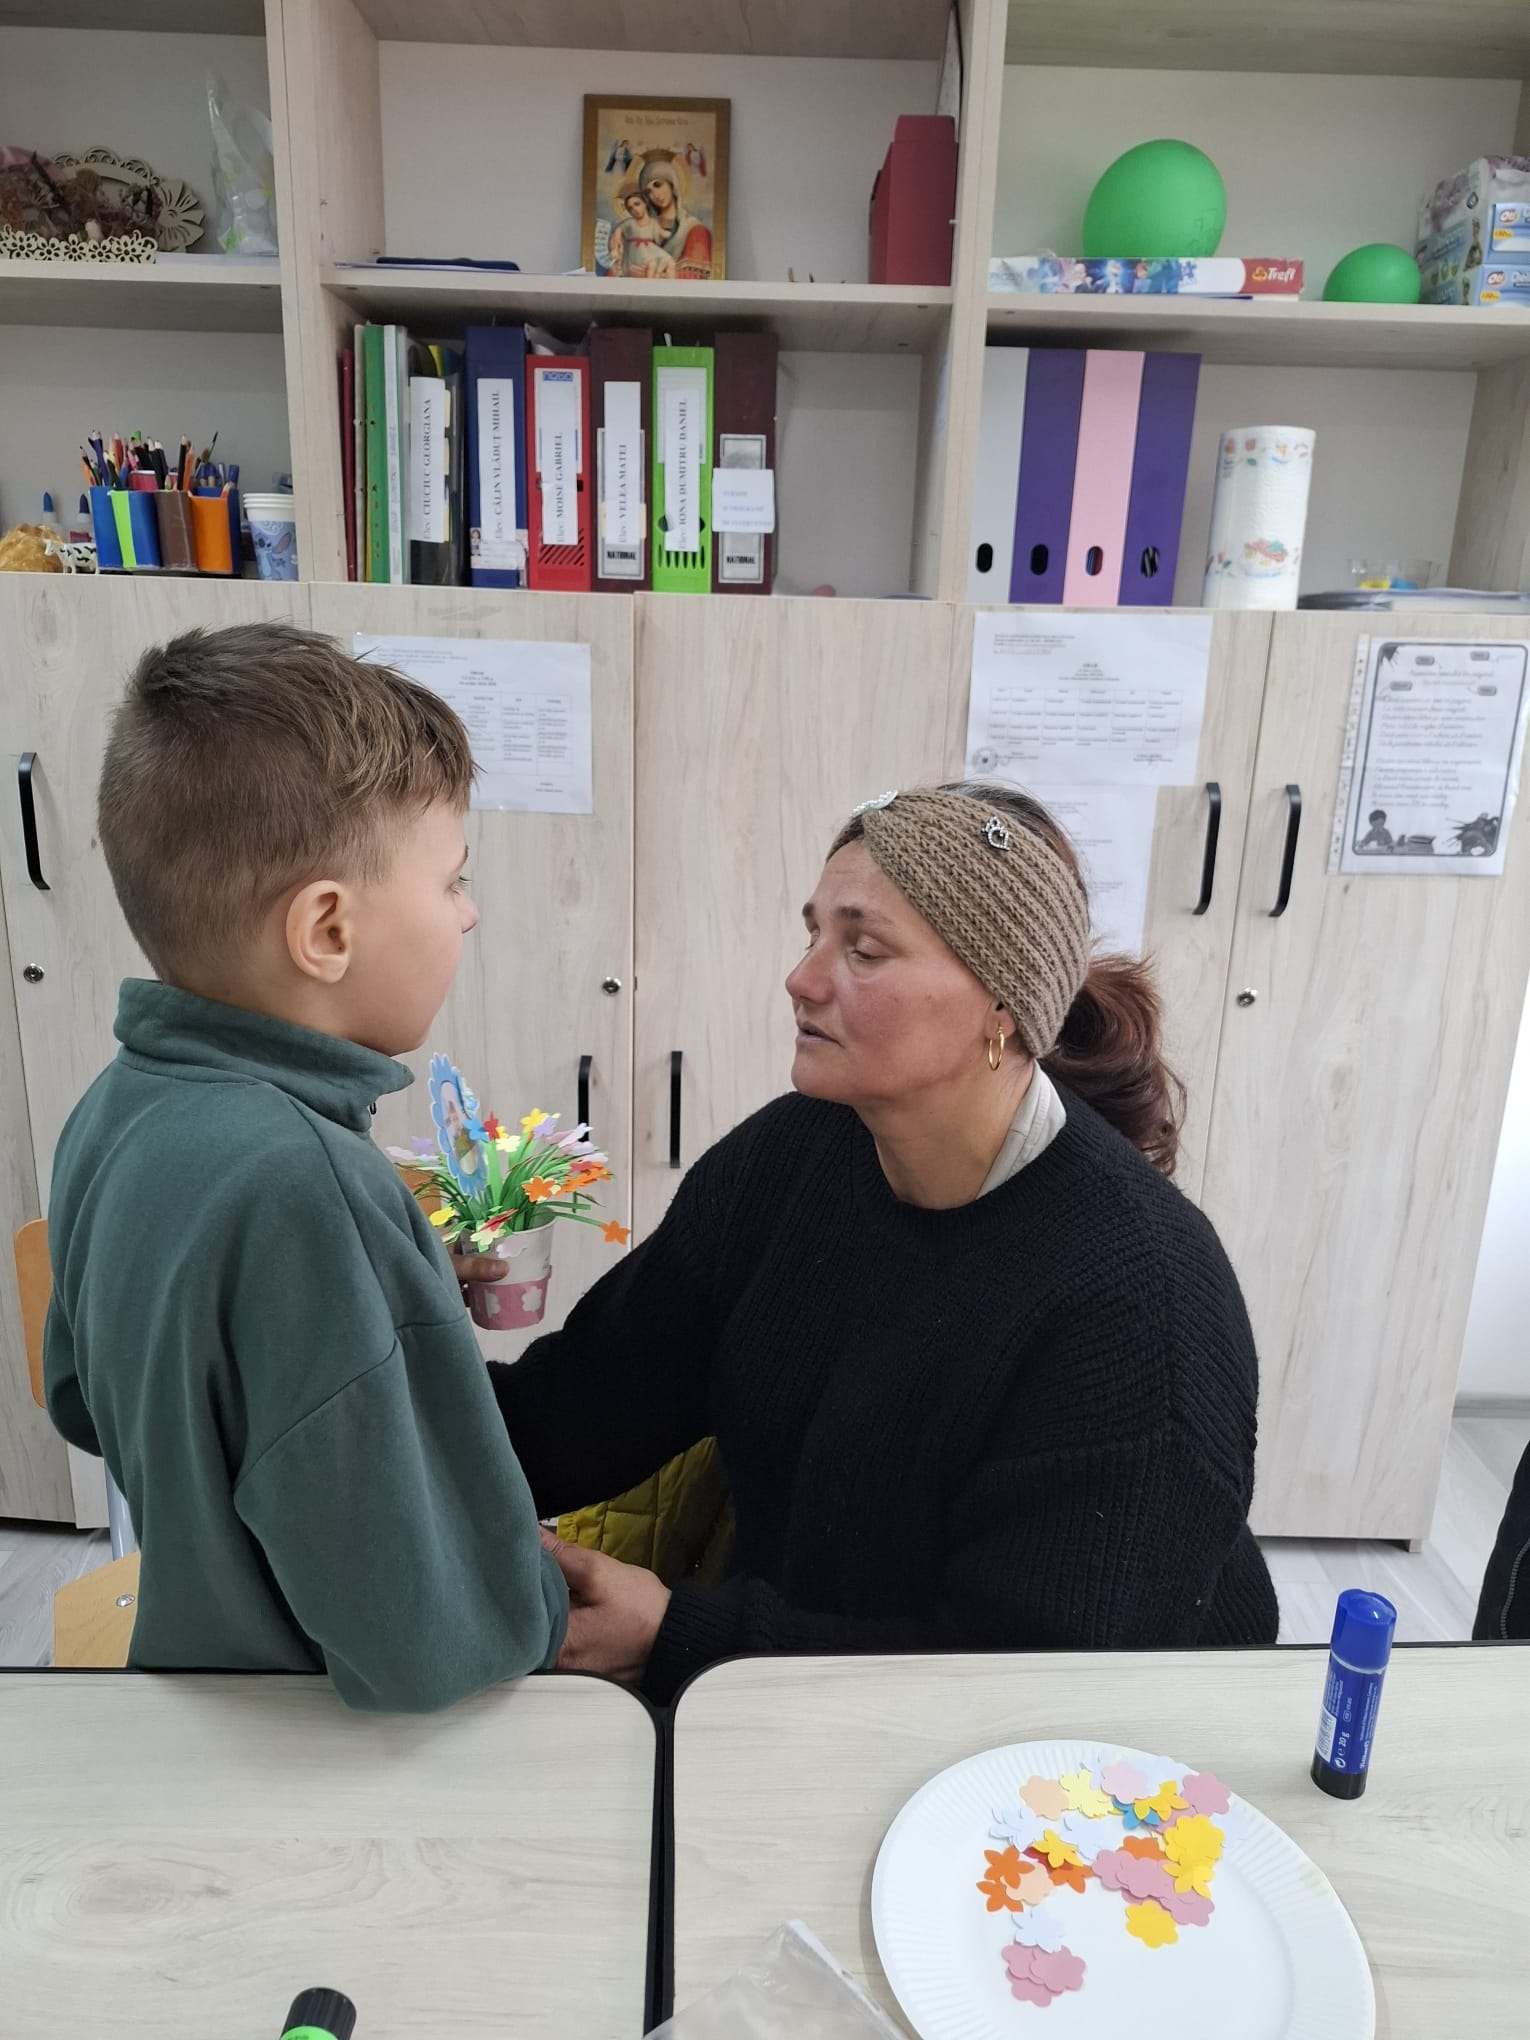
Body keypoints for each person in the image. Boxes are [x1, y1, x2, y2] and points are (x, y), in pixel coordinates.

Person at [491, 783, 1279, 1700]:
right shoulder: (792, 1157)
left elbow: (1033, 1680)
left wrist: (682, 1638)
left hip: (1081, 1741)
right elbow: (589, 1401)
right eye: (813, 935)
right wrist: (385, 1397)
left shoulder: (1140, 1306)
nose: (803, 978)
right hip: (807, 1674)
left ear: (1002, 1007)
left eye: (862, 950)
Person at [44, 624, 566, 1709]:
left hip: (185, 1672)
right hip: (304, 1736)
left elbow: (81, 1400)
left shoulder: (115, 1106)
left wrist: (376, 1297)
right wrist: (544, 1601)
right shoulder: (307, 1182)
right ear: (326, 929)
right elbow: (432, 1643)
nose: (468, 912)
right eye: (453, 881)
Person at [638, 151, 713, 278]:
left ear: (672, 184)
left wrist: (649, 275)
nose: (655, 195)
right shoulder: (644, 228)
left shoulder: (694, 229)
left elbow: (694, 277)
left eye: (658, 185)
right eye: (648, 192)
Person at [607, 182, 677, 279]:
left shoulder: (653, 222)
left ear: (645, 203)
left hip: (651, 250)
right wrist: (615, 248)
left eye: (637, 204)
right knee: (652, 264)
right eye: (630, 208)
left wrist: (674, 233)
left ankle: (671, 286)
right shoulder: (630, 223)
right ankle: (647, 286)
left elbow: (662, 233)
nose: (634, 209)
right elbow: (618, 231)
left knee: (670, 262)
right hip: (637, 251)